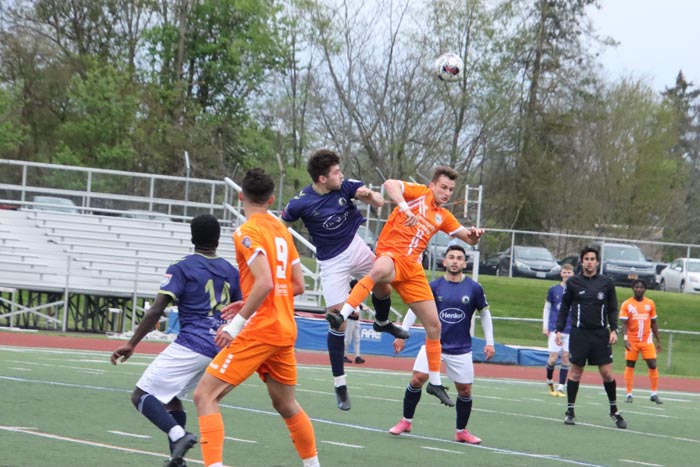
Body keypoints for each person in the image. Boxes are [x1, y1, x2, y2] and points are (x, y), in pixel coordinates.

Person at [193, 168, 320, 467]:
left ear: (240, 196)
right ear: (272, 199)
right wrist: (247, 301)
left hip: (260, 329)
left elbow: (265, 282)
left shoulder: (246, 232)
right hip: (284, 327)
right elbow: (298, 285)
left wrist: (235, 325)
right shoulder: (281, 231)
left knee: (204, 396)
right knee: (285, 403)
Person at [327, 166, 484, 405]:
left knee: (434, 326)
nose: (447, 192)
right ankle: (342, 315)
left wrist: (475, 234)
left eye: (451, 189)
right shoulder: (419, 193)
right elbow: (390, 184)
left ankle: (435, 382)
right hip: (391, 255)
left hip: (412, 269)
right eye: (443, 187)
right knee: (378, 270)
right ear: (432, 185)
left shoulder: (442, 215)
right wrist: (403, 207)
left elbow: (468, 238)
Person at [110, 214, 242, 467]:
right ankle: (176, 460)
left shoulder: (182, 266)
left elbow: (157, 309)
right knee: (170, 397)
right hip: (220, 345)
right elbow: (241, 309)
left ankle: (178, 435)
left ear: (192, 237)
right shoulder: (230, 271)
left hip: (193, 342)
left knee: (141, 395)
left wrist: (132, 343)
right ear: (217, 239)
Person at [281, 149, 392, 410]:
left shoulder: (345, 187)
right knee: (336, 320)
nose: (340, 175)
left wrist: (371, 196)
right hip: (332, 262)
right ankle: (340, 384)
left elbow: (373, 198)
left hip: (355, 247)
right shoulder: (300, 202)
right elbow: (281, 225)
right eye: (335, 172)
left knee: (385, 281)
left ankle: (382, 321)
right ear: (322, 178)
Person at [388, 244, 494, 444]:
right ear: (444, 262)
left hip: (461, 349)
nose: (455, 261)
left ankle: (461, 431)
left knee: (465, 390)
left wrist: (489, 342)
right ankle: (406, 421)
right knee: (417, 379)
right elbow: (414, 309)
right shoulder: (433, 286)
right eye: (451, 257)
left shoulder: (474, 288)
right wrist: (403, 333)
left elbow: (485, 315)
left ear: (465, 262)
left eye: (459, 258)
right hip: (433, 344)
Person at [556, 246, 627, 429]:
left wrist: (613, 330)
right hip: (579, 334)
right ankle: (570, 411)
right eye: (586, 258)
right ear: (582, 261)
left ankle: (614, 410)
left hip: (600, 334)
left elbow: (612, 308)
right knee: (576, 372)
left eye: (592, 259)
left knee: (607, 373)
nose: (589, 262)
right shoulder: (573, 283)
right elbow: (564, 308)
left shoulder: (606, 282)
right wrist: (558, 330)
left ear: (597, 262)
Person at [619, 279, 663, 404]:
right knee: (630, 364)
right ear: (633, 288)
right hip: (632, 340)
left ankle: (654, 394)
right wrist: (626, 338)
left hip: (646, 339)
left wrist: (658, 340)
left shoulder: (650, 303)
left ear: (645, 289)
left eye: (641, 287)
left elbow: (654, 322)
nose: (639, 289)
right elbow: (624, 323)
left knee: (653, 364)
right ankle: (629, 394)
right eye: (637, 287)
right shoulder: (627, 304)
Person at [542, 263, 574, 397]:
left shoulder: (576, 290)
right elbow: (547, 308)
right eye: (564, 272)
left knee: (566, 357)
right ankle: (549, 379)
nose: (567, 275)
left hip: (570, 329)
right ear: (561, 274)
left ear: (573, 274)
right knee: (553, 359)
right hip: (556, 329)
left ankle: (561, 387)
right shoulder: (554, 290)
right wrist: (545, 326)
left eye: (569, 272)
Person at [344, 279, 367, 364]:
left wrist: (361, 308)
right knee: (348, 339)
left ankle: (357, 356)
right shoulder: (348, 296)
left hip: (356, 320)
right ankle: (343, 355)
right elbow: (347, 306)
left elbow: (357, 304)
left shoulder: (355, 295)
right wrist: (353, 313)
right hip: (350, 320)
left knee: (357, 338)